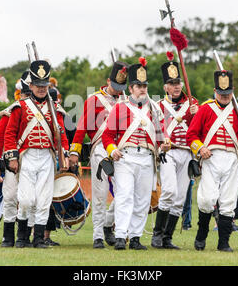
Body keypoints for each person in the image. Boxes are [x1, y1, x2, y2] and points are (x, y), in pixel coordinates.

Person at [102, 57, 171, 251]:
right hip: (125, 157)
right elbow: (107, 135)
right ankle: (120, 236)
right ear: (130, 88)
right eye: (138, 86)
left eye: (144, 86)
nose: (142, 89)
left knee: (142, 200)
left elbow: (161, 135)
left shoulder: (154, 109)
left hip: (147, 158)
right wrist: (112, 150)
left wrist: (164, 144)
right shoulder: (120, 108)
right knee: (124, 196)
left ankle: (135, 237)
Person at [186, 69, 238, 252]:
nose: (225, 97)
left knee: (228, 202)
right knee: (207, 199)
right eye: (221, 93)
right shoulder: (205, 108)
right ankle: (201, 235)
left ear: (232, 91)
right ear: (215, 91)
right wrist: (201, 148)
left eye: (228, 93)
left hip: (232, 159)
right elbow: (191, 135)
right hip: (211, 157)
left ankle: (223, 242)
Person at [4, 59, 69, 248]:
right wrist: (13, 157)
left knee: (44, 198)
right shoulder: (21, 107)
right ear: (30, 85)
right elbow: (10, 134)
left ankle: (39, 238)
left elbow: (61, 134)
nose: (41, 89)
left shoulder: (54, 109)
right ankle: (21, 236)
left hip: (47, 157)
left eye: (44, 85)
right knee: (25, 199)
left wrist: (64, 154)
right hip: (28, 156)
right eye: (38, 85)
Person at [68, 60, 128, 249]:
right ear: (108, 81)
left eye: (121, 87)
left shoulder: (128, 101)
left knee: (125, 193)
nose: (118, 90)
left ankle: (108, 224)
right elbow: (82, 127)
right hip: (101, 148)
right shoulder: (94, 100)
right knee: (100, 194)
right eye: (116, 86)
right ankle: (98, 237)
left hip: (123, 149)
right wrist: (75, 151)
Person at [151, 51, 198, 249]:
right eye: (172, 83)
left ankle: (167, 238)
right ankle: (157, 234)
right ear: (165, 87)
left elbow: (199, 130)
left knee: (179, 199)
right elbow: (153, 130)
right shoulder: (158, 105)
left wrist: (196, 115)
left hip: (187, 152)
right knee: (169, 191)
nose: (176, 86)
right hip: (168, 152)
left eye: (178, 82)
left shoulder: (192, 104)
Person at [0, 70, 37, 247]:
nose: (26, 97)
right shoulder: (11, 112)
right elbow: (0, 138)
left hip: (34, 159)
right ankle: (8, 237)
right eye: (25, 94)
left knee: (31, 199)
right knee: (9, 196)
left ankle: (25, 236)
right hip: (12, 161)